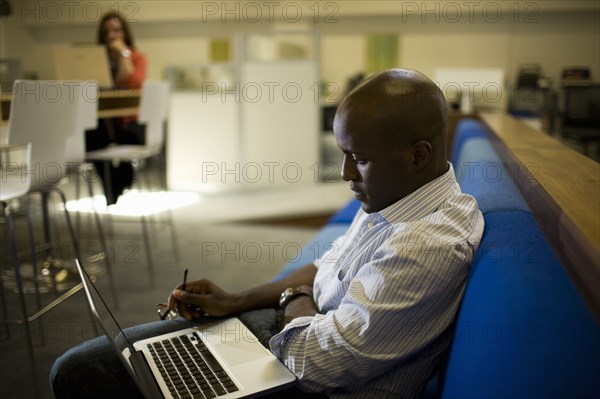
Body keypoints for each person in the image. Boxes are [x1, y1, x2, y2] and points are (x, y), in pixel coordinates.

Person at [51, 68, 484, 398]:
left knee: (82, 373)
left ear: (418, 155)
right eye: (344, 155)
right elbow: (325, 266)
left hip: (306, 380)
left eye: (360, 159)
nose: (346, 173)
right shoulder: (398, 195)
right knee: (122, 353)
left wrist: (290, 299)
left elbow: (313, 362)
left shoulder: (427, 244)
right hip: (296, 331)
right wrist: (235, 300)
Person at [86, 11, 148, 204]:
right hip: (103, 122)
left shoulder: (137, 58)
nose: (113, 36)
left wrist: (123, 54)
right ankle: (110, 188)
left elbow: (133, 83)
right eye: (108, 32)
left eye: (117, 30)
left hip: (130, 122)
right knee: (89, 138)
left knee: (127, 141)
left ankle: (117, 187)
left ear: (125, 32)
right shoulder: (95, 60)